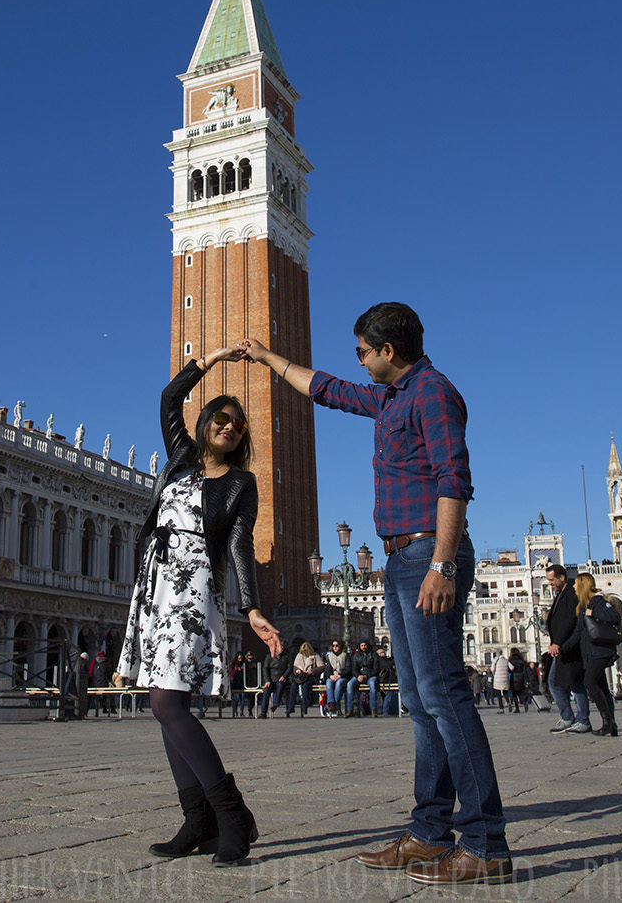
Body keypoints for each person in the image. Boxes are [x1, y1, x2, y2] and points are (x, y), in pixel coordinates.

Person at [243, 302, 513, 885]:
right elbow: (327, 390)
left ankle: (486, 842)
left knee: (444, 697)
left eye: (363, 350)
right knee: (419, 701)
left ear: (389, 351)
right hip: (400, 559)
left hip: (425, 555)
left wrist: (442, 562)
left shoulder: (433, 393)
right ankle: (428, 833)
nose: (359, 359)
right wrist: (266, 358)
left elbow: (453, 479)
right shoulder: (391, 397)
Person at [116, 345, 282, 867]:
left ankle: (232, 816)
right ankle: (199, 820)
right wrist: (211, 358)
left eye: (238, 424)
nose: (230, 427)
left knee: (167, 705)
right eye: (222, 419)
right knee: (167, 706)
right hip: (156, 587)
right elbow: (170, 397)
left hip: (192, 592)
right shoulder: (181, 458)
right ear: (206, 424)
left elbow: (239, 547)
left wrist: (251, 609)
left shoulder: (240, 484)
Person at [563, 573, 622, 738]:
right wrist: (563, 648)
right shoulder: (583, 607)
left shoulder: (598, 602)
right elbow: (578, 633)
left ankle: (608, 722)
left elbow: (614, 617)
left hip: (600, 651)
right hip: (590, 653)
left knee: (589, 682)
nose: (574, 587)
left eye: (576, 584)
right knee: (602, 686)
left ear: (583, 585)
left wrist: (593, 614)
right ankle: (611, 723)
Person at [544, 563, 590, 733]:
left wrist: (558, 642)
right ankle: (571, 717)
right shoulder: (562, 593)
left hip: (569, 647)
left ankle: (579, 718)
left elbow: (569, 621)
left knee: (571, 683)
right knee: (560, 682)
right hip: (561, 646)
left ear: (562, 578)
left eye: (552, 580)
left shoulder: (571, 594)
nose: (550, 583)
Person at [352, 640, 380, 717]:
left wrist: (367, 676)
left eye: (365, 645)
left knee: (372, 685)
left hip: (370, 676)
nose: (363, 647)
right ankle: (349, 709)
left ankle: (373, 709)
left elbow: (376, 669)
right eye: (362, 645)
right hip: (360, 676)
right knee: (350, 684)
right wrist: (358, 676)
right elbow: (354, 669)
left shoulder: (373, 654)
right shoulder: (356, 656)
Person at [291, 641, 320, 717]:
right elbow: (294, 667)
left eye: (306, 652)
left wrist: (313, 671)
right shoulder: (299, 656)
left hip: (311, 677)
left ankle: (305, 706)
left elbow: (321, 667)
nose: (304, 654)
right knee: (293, 686)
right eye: (303, 652)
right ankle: (291, 706)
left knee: (305, 686)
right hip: (301, 677)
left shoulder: (315, 656)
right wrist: (297, 670)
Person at [325, 639, 351, 717]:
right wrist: (331, 676)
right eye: (333, 646)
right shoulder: (329, 656)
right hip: (333, 676)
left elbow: (348, 668)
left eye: (337, 645)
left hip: (343, 676)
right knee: (328, 682)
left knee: (339, 683)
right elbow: (327, 669)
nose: (335, 647)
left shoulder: (345, 655)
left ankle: (334, 704)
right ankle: (331, 703)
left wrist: (340, 675)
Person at [506, 649, 527, 713]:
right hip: (521, 678)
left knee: (514, 694)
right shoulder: (522, 660)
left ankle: (517, 708)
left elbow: (509, 670)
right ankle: (524, 703)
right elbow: (524, 670)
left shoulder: (510, 660)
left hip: (513, 678)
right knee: (520, 692)